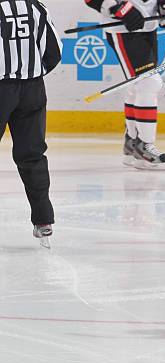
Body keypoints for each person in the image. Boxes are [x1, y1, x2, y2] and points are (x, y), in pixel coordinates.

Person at [84, 0, 165, 170]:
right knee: (149, 83)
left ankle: (133, 142)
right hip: (123, 28)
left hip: (149, 25)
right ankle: (144, 146)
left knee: (139, 86)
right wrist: (120, 8)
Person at [0, 0, 62, 248]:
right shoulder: (36, 7)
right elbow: (54, 52)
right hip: (33, 89)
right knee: (32, 156)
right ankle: (43, 220)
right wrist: (30, 74)